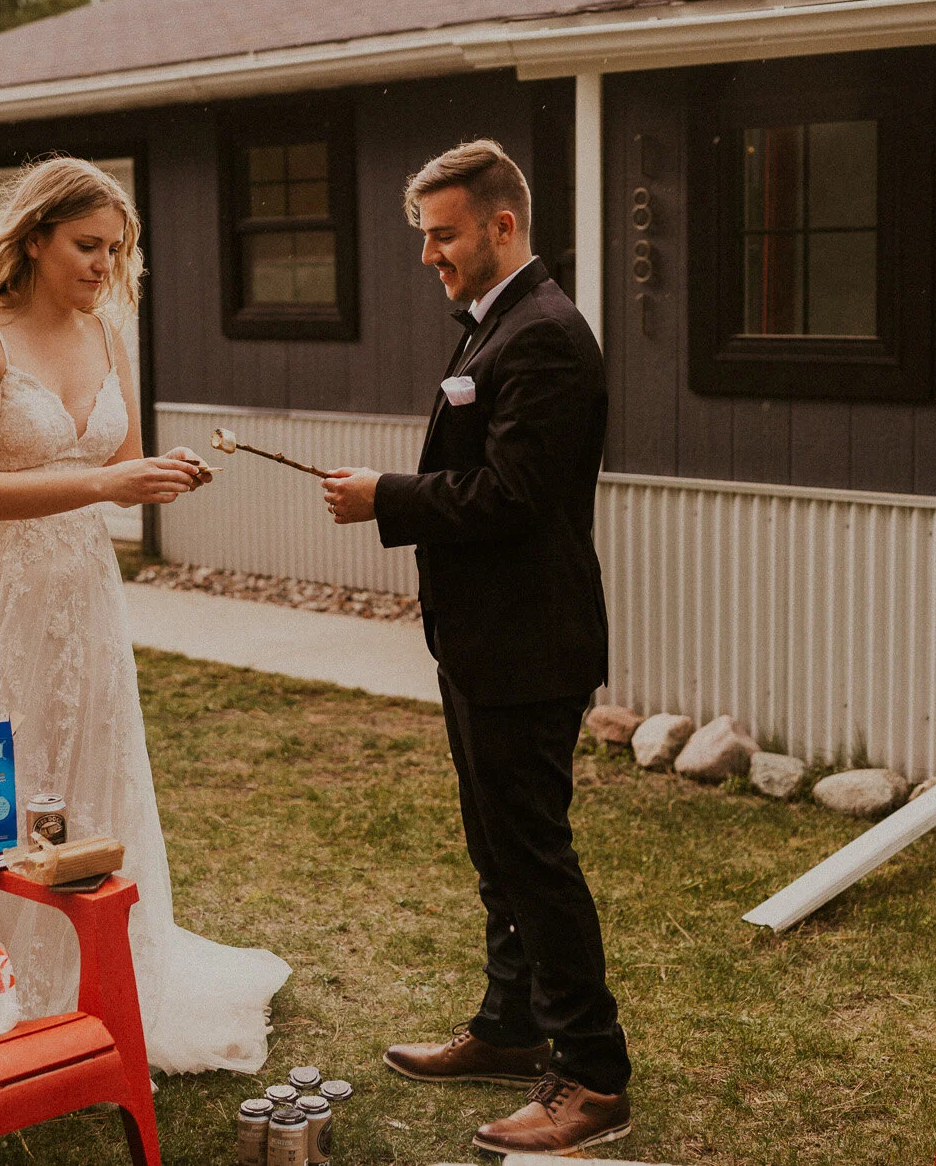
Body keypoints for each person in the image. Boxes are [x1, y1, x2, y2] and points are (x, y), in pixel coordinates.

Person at [0, 155, 290, 1075]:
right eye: (87, 245)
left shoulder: (108, 333)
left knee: (84, 753)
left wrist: (159, 474)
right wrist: (108, 481)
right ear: (33, 238)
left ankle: (96, 966)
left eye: (116, 248)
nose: (105, 264)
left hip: (76, 583)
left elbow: (119, 454)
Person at [321, 139, 630, 1155]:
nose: (428, 256)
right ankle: (507, 1027)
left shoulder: (542, 334)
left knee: (534, 857)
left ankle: (589, 1075)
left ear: (503, 225)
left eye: (442, 234)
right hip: (484, 640)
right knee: (498, 851)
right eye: (424, 237)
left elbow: (512, 496)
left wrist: (386, 498)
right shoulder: (495, 326)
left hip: (528, 645)